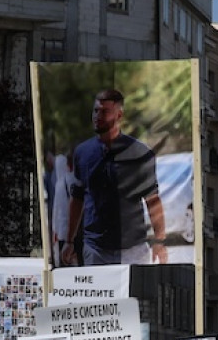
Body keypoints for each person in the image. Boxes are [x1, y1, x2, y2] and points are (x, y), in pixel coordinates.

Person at [65, 88, 167, 266]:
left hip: (133, 250)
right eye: (96, 110)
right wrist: (69, 241)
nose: (98, 116)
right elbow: (77, 198)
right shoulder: (82, 152)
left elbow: (153, 201)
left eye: (105, 112)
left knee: (136, 295)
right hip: (95, 249)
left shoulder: (140, 153)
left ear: (119, 115)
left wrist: (159, 242)